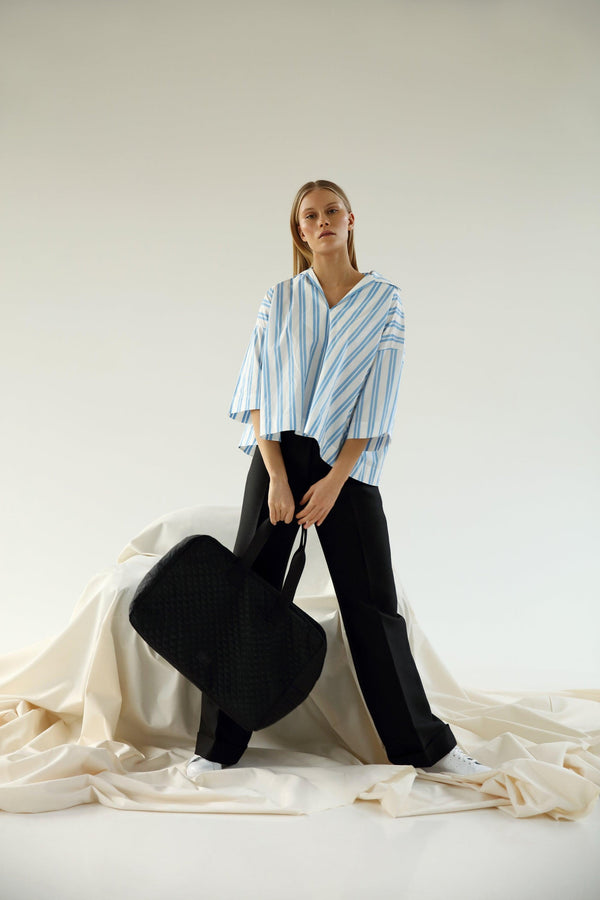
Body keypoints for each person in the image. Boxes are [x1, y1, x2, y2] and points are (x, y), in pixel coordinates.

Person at [187, 179, 492, 778]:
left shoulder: (384, 301)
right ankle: (215, 748)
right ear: (299, 232)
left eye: (332, 211)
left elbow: (378, 399)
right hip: (277, 459)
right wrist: (276, 477)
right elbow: (258, 391)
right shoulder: (279, 299)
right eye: (310, 215)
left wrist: (334, 483)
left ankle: (428, 749)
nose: (322, 221)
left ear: (351, 220)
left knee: (373, 606)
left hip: (346, 466)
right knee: (248, 597)